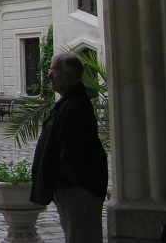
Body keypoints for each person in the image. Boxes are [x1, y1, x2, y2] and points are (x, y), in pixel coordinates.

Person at [30, 52, 108, 243]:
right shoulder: (69, 103)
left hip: (79, 190)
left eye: (54, 70)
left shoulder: (74, 106)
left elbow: (75, 152)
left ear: (70, 74)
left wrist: (63, 182)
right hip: (73, 189)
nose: (49, 75)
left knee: (80, 236)